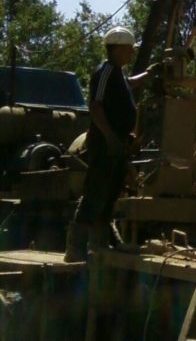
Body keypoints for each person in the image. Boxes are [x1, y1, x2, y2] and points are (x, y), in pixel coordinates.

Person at [64, 26, 154, 262]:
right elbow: (95, 107)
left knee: (111, 191)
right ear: (117, 48)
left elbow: (128, 83)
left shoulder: (118, 73)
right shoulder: (104, 72)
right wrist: (110, 136)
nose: (131, 53)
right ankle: (75, 247)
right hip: (105, 143)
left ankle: (100, 242)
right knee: (95, 191)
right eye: (129, 49)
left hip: (117, 143)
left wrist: (150, 73)